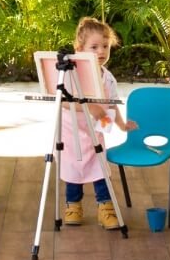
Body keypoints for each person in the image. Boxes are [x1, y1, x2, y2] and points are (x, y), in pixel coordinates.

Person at [58, 17, 137, 230]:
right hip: (71, 131)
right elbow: (64, 102)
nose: (101, 51)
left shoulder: (108, 78)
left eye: (105, 46)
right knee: (73, 167)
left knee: (99, 167)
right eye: (94, 47)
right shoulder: (71, 73)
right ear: (79, 48)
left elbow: (111, 104)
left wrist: (121, 124)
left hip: (95, 132)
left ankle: (105, 208)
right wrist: (88, 106)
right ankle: (73, 206)